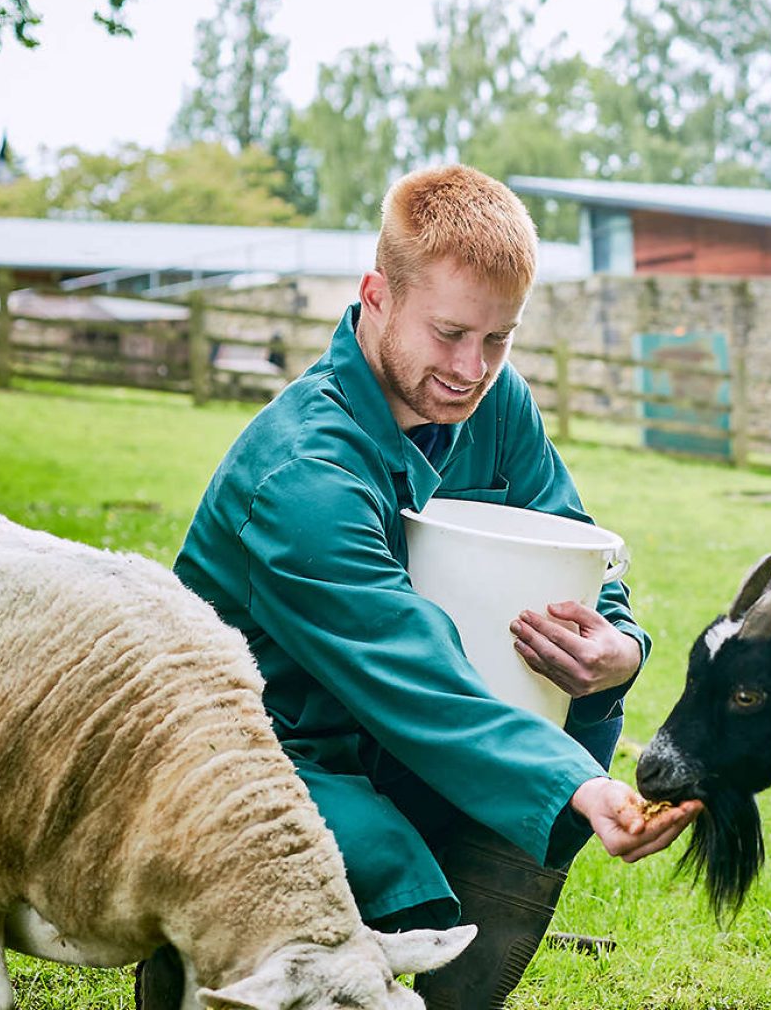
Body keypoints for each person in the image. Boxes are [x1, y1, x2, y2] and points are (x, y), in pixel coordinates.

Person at [136, 165, 700, 1009]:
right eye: (449, 334)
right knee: (395, 856)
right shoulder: (303, 473)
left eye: (498, 339)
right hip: (262, 750)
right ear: (377, 296)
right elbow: (409, 665)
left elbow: (575, 543)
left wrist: (620, 646)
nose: (472, 369)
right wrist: (579, 786)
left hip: (399, 730)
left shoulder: (495, 404)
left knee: (550, 749)